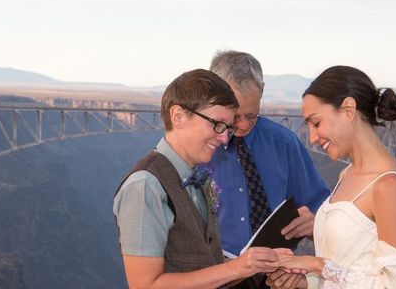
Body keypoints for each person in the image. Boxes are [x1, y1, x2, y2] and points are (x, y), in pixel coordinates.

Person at [113, 69, 285, 289]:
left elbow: (204, 266)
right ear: (178, 117)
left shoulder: (197, 177)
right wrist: (235, 268)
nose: (224, 138)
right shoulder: (146, 186)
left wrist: (256, 264)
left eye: (228, 128)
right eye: (217, 124)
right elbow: (145, 286)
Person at [267, 65, 396, 289]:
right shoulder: (347, 174)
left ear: (348, 109)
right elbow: (349, 267)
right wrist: (305, 281)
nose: (312, 138)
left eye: (316, 123)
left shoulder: (389, 184)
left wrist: (317, 265)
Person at [207, 51, 330, 266]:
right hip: (211, 273)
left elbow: (321, 210)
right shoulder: (198, 145)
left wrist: (316, 223)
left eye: (251, 115)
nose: (243, 125)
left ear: (261, 91)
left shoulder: (284, 143)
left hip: (277, 273)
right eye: (235, 117)